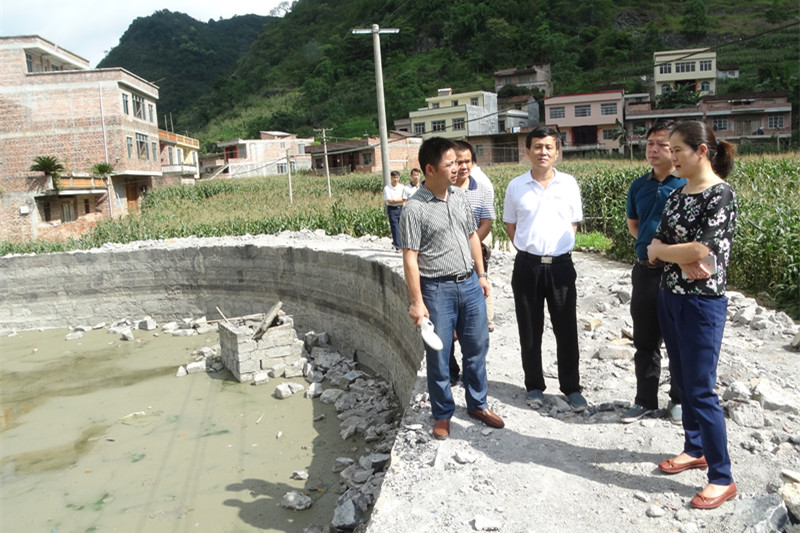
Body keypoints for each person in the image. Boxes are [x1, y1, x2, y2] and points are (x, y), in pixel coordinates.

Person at [647, 120, 738, 510]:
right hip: (670, 296)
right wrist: (676, 255)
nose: (672, 157)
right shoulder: (677, 193)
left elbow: (701, 250)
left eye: (677, 150)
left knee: (701, 389)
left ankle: (722, 477)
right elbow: (655, 242)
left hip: (702, 303)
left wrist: (672, 253)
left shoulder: (721, 195)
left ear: (701, 151)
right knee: (683, 380)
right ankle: (694, 448)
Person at [400, 137, 504, 440]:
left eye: (459, 163)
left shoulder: (459, 196)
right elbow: (410, 258)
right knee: (439, 355)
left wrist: (481, 275)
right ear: (430, 169)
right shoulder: (414, 209)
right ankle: (443, 413)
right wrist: (417, 302)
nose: (457, 168)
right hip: (437, 290)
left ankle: (478, 404)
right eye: (450, 164)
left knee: (477, 346)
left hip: (469, 284)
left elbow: (472, 236)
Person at [503, 127, 586, 412]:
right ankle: (534, 386)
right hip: (527, 266)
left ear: (557, 151)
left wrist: (554, 249)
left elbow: (573, 223)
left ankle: (572, 388)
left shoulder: (569, 184)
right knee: (529, 328)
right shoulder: (516, 186)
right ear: (527, 151)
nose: (543, 152)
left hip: (561, 265)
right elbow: (511, 226)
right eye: (537, 147)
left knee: (566, 328)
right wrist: (530, 250)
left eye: (549, 147)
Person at [621, 120, 686, 425]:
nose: (654, 150)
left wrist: (668, 254)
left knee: (678, 339)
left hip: (677, 274)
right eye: (650, 144)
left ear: (676, 150)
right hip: (645, 272)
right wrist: (650, 250)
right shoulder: (639, 185)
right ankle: (645, 400)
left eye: (662, 144)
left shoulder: (686, 185)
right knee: (645, 340)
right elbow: (634, 224)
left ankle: (678, 399)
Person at [448, 140, 496, 385]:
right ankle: (450, 370)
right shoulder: (439, 190)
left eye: (467, 161)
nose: (464, 166)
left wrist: (470, 245)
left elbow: (486, 222)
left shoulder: (482, 188)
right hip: (445, 263)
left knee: (473, 321)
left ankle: (472, 374)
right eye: (458, 162)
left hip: (475, 261)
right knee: (446, 322)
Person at [383, 170, 404, 252]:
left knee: (402, 227)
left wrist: (396, 200)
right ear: (391, 178)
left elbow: (405, 198)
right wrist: (400, 199)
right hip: (392, 209)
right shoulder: (387, 188)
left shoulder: (402, 187)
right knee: (395, 228)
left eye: (397, 177)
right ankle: (398, 247)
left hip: (401, 208)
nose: (396, 179)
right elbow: (390, 201)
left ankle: (403, 245)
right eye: (394, 177)